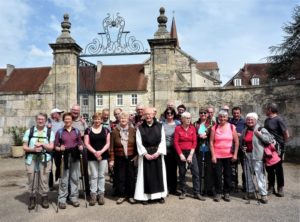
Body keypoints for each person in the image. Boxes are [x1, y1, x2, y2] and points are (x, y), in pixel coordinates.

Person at [134, 107, 167, 204]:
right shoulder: (140, 128)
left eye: (150, 114)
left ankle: (159, 196)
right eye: (146, 114)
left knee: (158, 175)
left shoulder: (160, 126)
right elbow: (138, 142)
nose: (148, 116)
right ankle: (145, 197)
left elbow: (163, 140)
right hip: (145, 155)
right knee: (146, 176)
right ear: (143, 115)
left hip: (157, 153)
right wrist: (145, 154)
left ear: (153, 114)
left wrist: (158, 152)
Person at [23, 113, 55, 210]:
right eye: (39, 119)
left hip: (45, 159)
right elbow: (24, 146)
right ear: (36, 120)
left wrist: (42, 145)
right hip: (31, 159)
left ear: (45, 120)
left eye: (42, 119)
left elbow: (51, 147)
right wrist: (33, 149)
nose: (40, 121)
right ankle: (32, 197)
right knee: (32, 178)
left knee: (44, 178)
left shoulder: (50, 132)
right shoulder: (29, 131)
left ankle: (44, 197)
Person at [241, 112, 272, 204]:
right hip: (247, 155)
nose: (250, 121)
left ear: (256, 120)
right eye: (248, 119)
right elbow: (242, 142)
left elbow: (269, 140)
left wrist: (260, 135)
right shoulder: (245, 130)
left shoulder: (261, 129)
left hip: (258, 155)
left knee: (260, 175)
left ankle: (263, 194)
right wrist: (243, 147)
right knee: (248, 175)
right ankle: (250, 191)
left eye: (252, 119)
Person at [55, 112, 84, 209]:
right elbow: (56, 146)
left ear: (72, 120)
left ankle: (74, 198)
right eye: (66, 119)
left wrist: (80, 146)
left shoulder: (76, 131)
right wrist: (60, 148)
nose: (67, 120)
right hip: (64, 156)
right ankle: (62, 199)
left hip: (75, 155)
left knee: (74, 177)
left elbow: (80, 142)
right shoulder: (59, 132)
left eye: (69, 119)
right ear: (64, 120)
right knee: (64, 178)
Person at [174, 112, 205, 201]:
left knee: (196, 172)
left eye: (190, 118)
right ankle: (183, 191)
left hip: (191, 152)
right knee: (182, 173)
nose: (189, 119)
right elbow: (176, 142)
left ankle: (197, 193)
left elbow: (194, 142)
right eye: (187, 118)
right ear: (182, 119)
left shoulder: (192, 128)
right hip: (181, 152)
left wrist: (191, 155)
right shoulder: (178, 128)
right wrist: (180, 155)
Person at [210, 110, 239, 202]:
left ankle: (227, 192)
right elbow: (211, 142)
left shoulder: (232, 127)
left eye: (224, 117)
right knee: (217, 175)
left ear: (227, 118)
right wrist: (213, 155)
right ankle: (218, 192)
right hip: (217, 155)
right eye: (220, 117)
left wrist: (235, 154)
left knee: (228, 175)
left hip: (228, 155)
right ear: (218, 118)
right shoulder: (214, 128)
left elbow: (236, 142)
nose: (222, 119)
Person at [109, 111, 137, 204]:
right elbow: (111, 147)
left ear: (128, 119)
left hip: (131, 157)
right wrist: (112, 159)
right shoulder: (114, 131)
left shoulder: (133, 131)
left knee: (131, 177)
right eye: (121, 118)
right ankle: (122, 195)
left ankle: (131, 196)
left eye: (125, 118)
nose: (123, 120)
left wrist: (136, 156)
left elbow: (137, 145)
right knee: (120, 177)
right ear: (119, 120)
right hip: (119, 157)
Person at [84, 112, 110, 206]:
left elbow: (108, 143)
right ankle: (93, 195)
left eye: (99, 119)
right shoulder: (88, 130)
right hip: (92, 155)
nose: (97, 121)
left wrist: (100, 152)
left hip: (103, 155)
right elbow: (86, 143)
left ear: (102, 120)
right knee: (94, 175)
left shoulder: (106, 130)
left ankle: (101, 194)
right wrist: (95, 152)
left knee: (101, 175)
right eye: (95, 119)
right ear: (93, 119)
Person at [264, 102, 290, 197]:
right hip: (268, 148)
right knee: (269, 168)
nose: (265, 110)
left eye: (266, 109)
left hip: (277, 148)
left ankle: (280, 187)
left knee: (278, 169)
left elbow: (286, 134)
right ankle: (271, 186)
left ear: (270, 110)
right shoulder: (266, 120)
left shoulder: (279, 119)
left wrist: (282, 146)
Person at [194, 107, 215, 196]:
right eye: (201, 113)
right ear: (199, 114)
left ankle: (208, 189)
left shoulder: (212, 123)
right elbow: (193, 135)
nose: (203, 114)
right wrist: (199, 136)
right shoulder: (195, 124)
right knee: (199, 169)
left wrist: (207, 134)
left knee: (208, 169)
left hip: (208, 148)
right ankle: (199, 189)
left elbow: (214, 135)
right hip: (198, 148)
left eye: (205, 113)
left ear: (207, 114)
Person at [70, 104, 89, 197]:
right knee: (71, 170)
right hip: (70, 148)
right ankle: (72, 192)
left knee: (84, 169)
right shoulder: (68, 119)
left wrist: (84, 123)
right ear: (71, 110)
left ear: (79, 111)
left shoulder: (82, 121)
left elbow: (88, 132)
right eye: (74, 110)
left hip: (82, 148)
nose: (75, 112)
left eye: (77, 110)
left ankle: (87, 190)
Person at [162, 107, 180, 195]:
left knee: (173, 169)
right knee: (165, 169)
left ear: (174, 115)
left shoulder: (178, 124)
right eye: (168, 113)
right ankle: (166, 188)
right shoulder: (162, 124)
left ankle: (173, 188)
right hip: (165, 150)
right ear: (165, 114)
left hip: (174, 150)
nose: (169, 115)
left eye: (171, 113)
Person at [229, 106, 246, 192]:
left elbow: (247, 132)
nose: (236, 114)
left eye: (237, 113)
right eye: (234, 113)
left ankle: (245, 185)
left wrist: (241, 135)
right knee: (233, 167)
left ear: (240, 113)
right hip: (232, 147)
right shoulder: (229, 121)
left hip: (242, 147)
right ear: (232, 113)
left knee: (244, 167)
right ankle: (233, 184)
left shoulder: (244, 122)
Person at [47, 108, 64, 190]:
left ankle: (59, 180)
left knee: (59, 166)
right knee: (49, 167)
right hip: (49, 148)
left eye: (60, 113)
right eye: (58, 113)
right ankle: (50, 185)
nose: (60, 115)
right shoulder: (47, 122)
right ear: (53, 114)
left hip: (58, 147)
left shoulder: (62, 123)